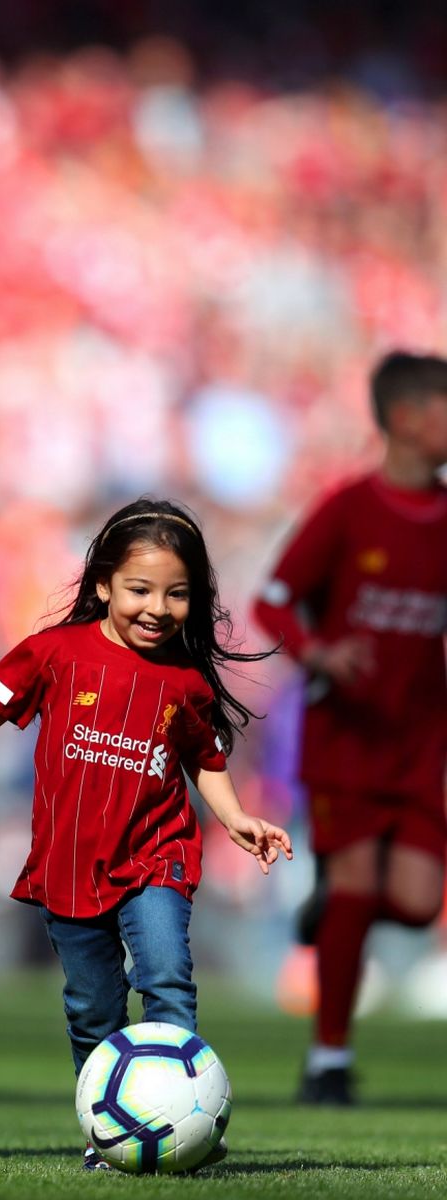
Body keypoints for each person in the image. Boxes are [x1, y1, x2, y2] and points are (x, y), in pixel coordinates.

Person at [0, 498, 291, 1171]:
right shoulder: (55, 654)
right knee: (93, 1008)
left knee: (166, 977)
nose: (158, 607)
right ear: (102, 585)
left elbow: (205, 759)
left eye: (178, 594)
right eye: (140, 589)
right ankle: (110, 1127)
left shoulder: (184, 683)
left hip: (156, 858)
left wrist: (235, 816)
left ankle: (179, 1118)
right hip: (72, 865)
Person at [252, 351, 447, 1106]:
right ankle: (329, 1058)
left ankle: (332, 905)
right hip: (347, 740)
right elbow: (272, 601)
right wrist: (320, 651)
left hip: (421, 739)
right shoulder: (348, 508)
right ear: (405, 419)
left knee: (418, 902)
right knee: (363, 880)